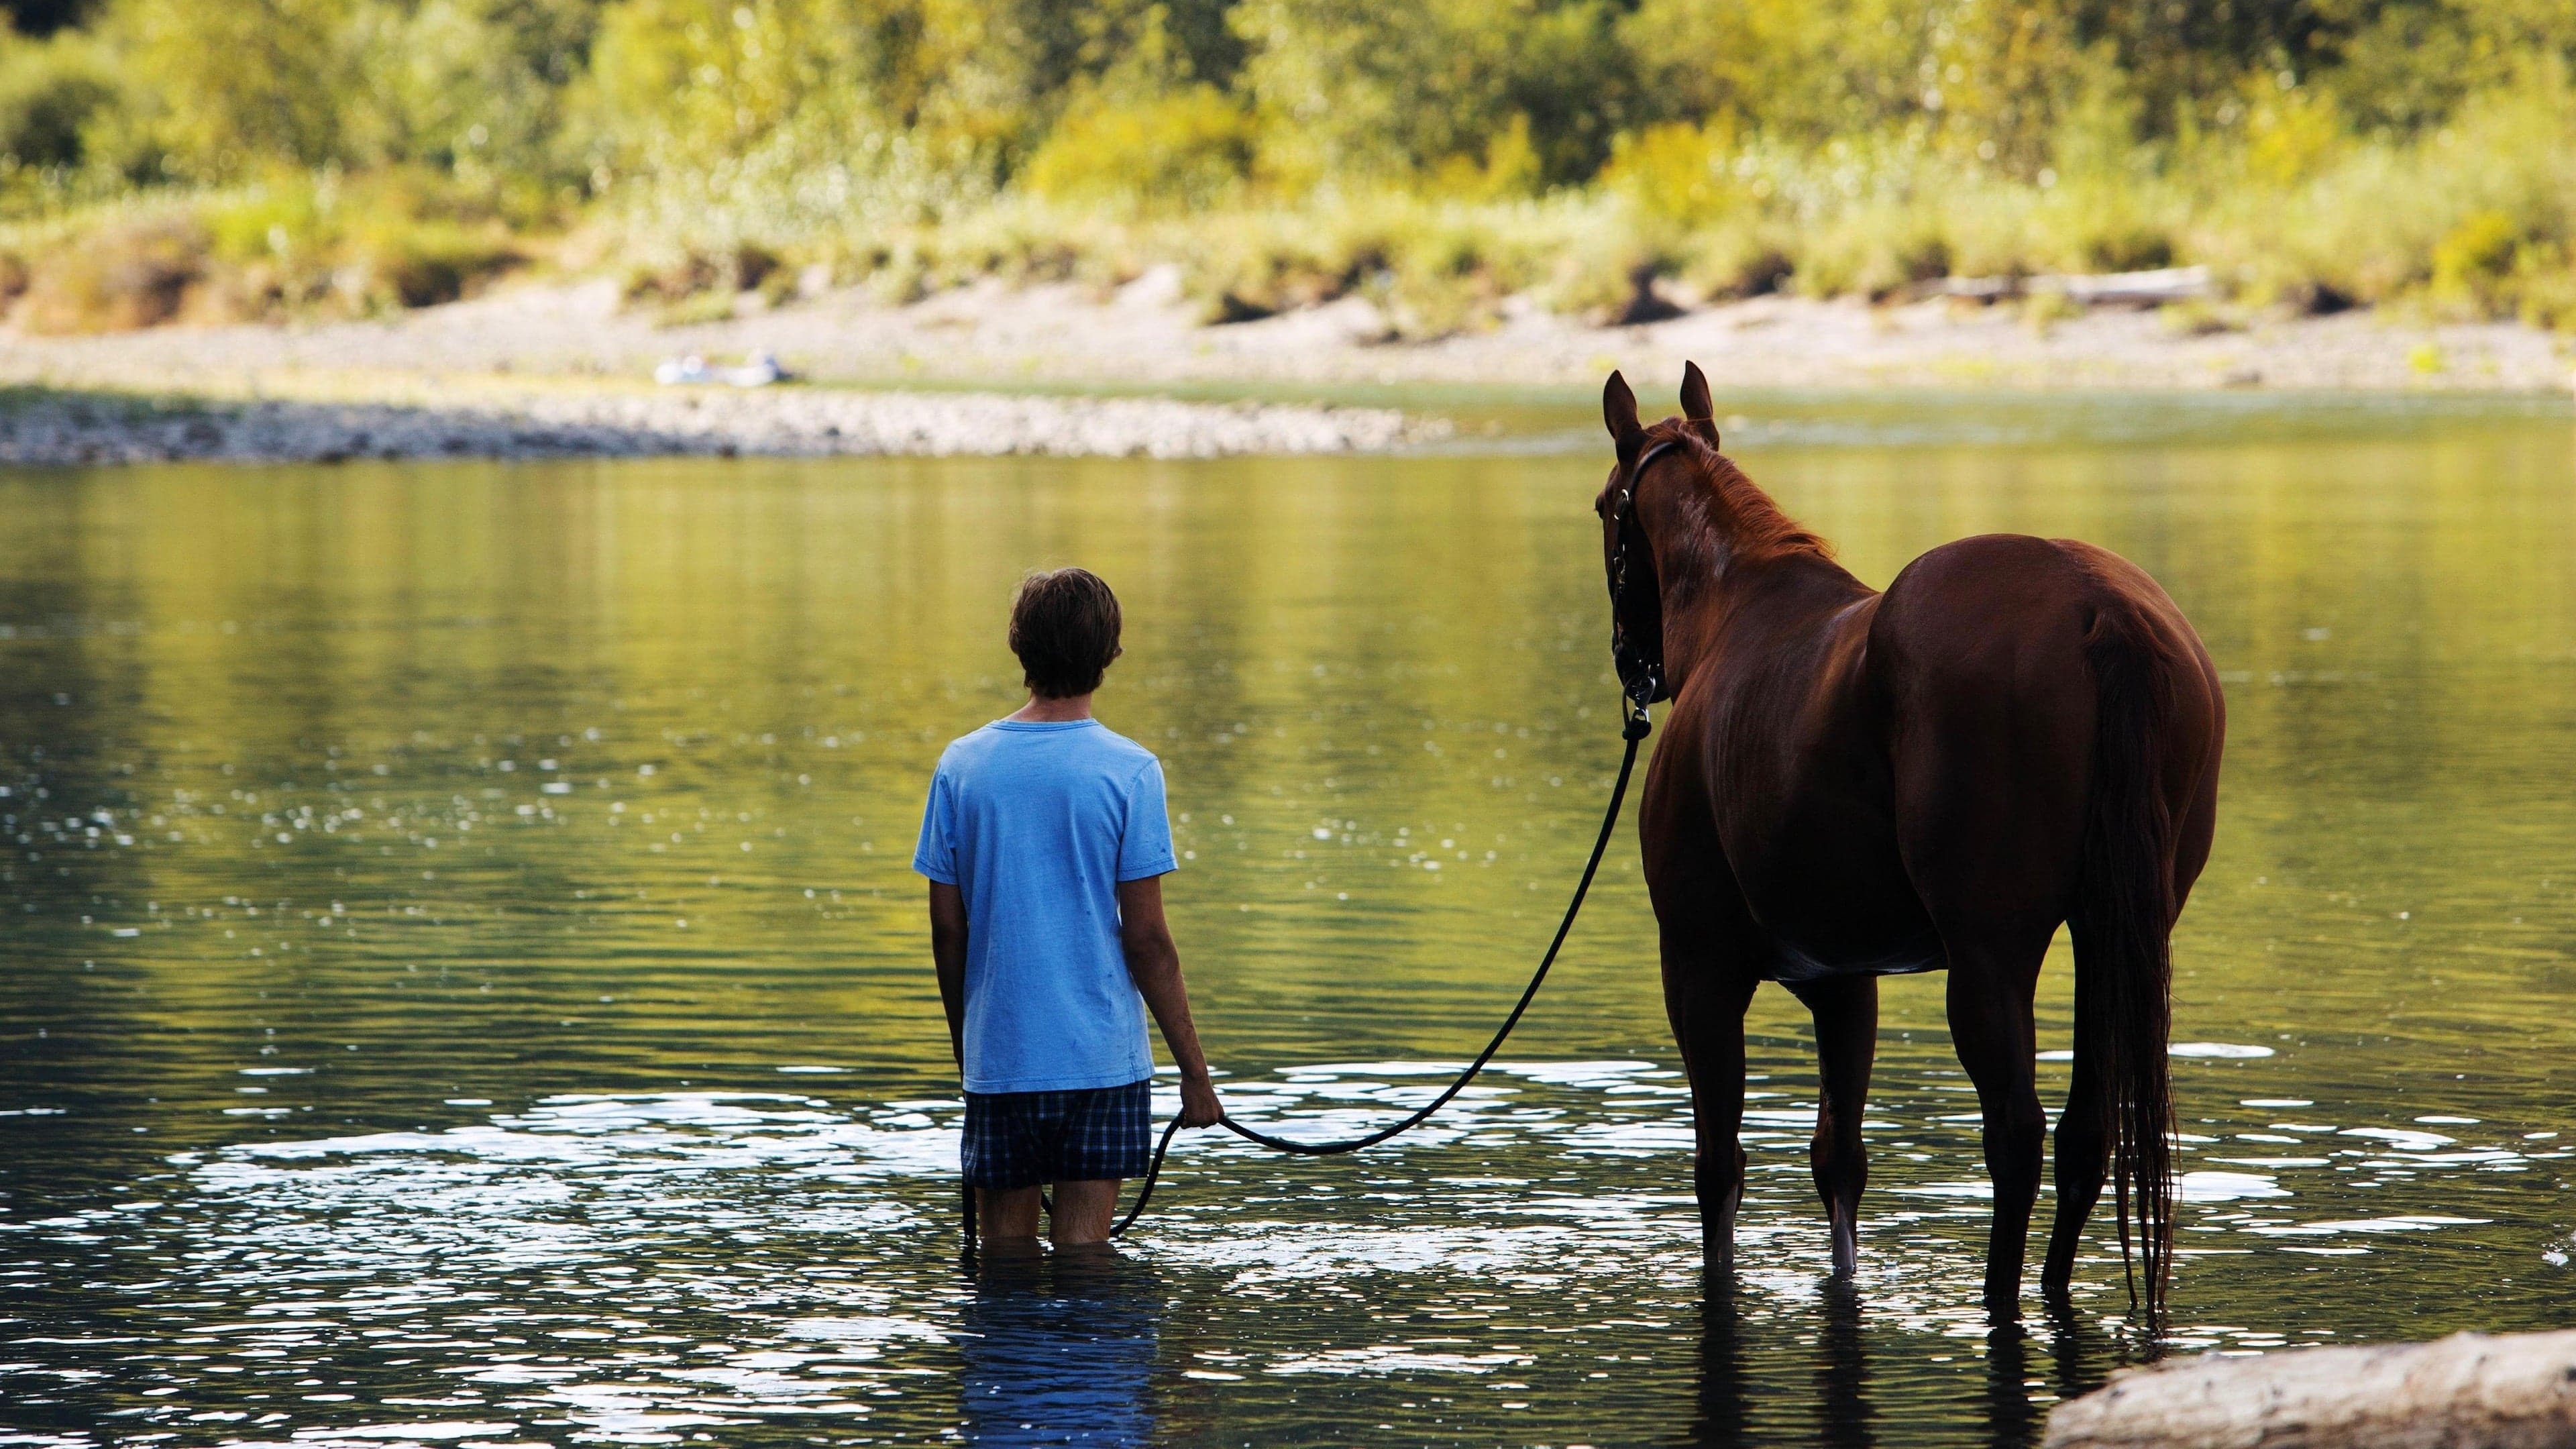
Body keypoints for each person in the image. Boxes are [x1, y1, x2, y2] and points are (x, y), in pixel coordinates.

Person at [914, 567, 1224, 1248]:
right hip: (1102, 1061)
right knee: (1087, 1260)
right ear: (1110, 653)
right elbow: (1148, 942)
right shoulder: (1130, 770)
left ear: (1017, 647)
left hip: (1004, 1057)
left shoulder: (963, 766)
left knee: (1004, 1263)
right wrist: (1195, 1077)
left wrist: (972, 1049)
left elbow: (946, 928)